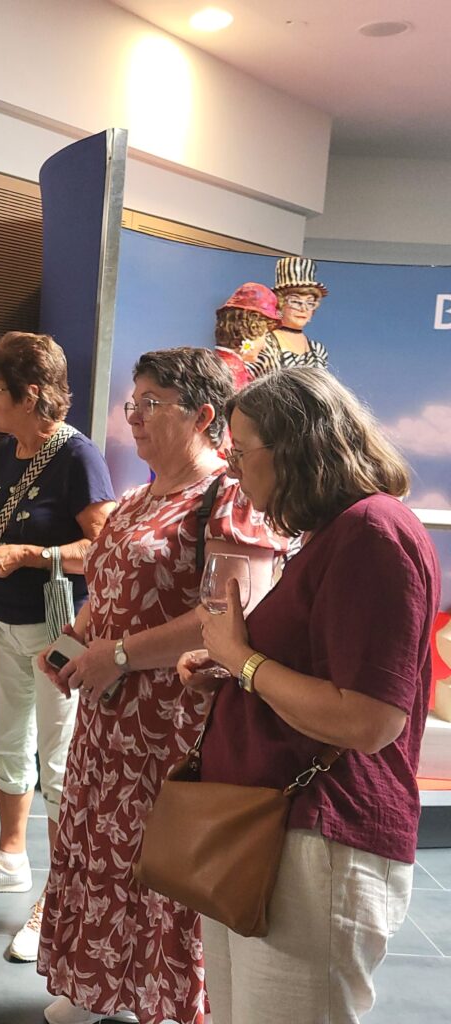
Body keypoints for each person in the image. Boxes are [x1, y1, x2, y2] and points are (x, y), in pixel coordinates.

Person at [179, 367, 439, 1024]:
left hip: (321, 835)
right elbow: (320, 672)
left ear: (296, 448)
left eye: (242, 451)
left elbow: (369, 720)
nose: (232, 468)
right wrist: (234, 669)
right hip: (274, 831)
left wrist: (243, 661)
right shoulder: (340, 533)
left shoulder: (372, 533)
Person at [36, 347, 285, 1024]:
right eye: (133, 403)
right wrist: (71, 643)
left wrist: (119, 655)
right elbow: (108, 590)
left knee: (163, 860)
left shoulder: (228, 499)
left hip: (172, 726)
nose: (135, 418)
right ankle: (101, 987)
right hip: (108, 719)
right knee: (102, 850)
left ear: (204, 416)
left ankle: (165, 1002)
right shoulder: (136, 498)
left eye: (151, 404)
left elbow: (226, 619)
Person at [0, 331, 116, 963]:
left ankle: (60, 898)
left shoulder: (79, 457)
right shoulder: (7, 450)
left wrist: (30, 555)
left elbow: (104, 549)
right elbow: (1, 521)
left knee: (61, 764)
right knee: (7, 745)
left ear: (31, 394)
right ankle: (11, 859)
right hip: (7, 623)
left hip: (59, 632)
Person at [246, 257, 329, 378]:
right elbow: (245, 382)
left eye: (310, 303)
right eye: (295, 301)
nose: (303, 308)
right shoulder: (264, 343)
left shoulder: (318, 350)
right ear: (280, 304)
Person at [212, 282, 281, 389]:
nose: (264, 346)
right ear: (249, 331)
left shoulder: (211, 363)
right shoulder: (235, 373)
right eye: (265, 335)